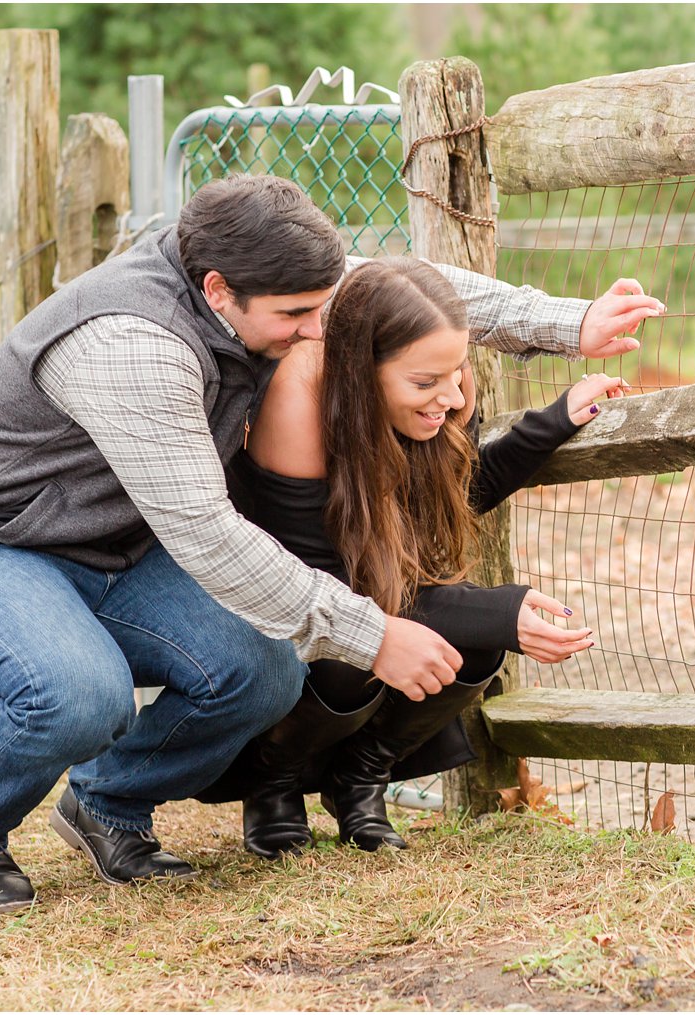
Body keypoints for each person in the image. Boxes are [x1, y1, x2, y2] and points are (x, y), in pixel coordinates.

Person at [0, 173, 664, 912]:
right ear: (220, 290)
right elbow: (208, 534)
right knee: (79, 691)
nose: (317, 332)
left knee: (261, 669)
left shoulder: (273, 274)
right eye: (296, 316)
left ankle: (108, 802)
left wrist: (569, 325)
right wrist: (374, 632)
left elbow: (402, 292)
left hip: (121, 550)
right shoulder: (134, 345)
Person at [196, 258, 627, 855]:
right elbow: (332, 592)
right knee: (354, 651)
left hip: (364, 590)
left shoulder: (445, 384)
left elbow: (457, 489)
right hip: (288, 613)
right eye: (426, 383)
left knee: (475, 636)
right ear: (358, 373)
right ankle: (273, 783)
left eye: (459, 374)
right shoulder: (297, 406)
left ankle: (360, 779)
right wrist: (493, 610)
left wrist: (552, 423)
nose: (451, 397)